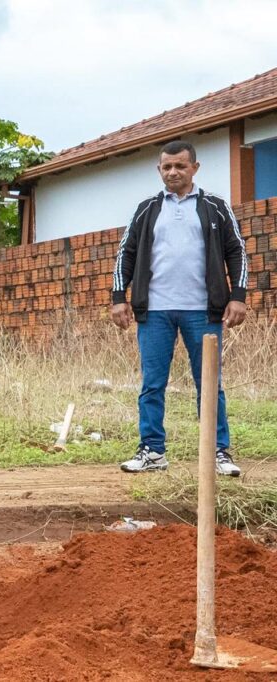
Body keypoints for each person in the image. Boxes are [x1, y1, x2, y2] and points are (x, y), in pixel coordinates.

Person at [111, 140, 248, 476]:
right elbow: (125, 254)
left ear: (194, 169)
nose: (173, 172)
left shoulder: (215, 206)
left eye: (180, 166)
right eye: (166, 167)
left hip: (203, 311)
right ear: (160, 170)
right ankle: (152, 451)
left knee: (210, 384)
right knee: (152, 384)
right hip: (154, 311)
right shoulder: (147, 209)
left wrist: (238, 296)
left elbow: (237, 251)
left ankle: (217, 452)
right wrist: (118, 298)